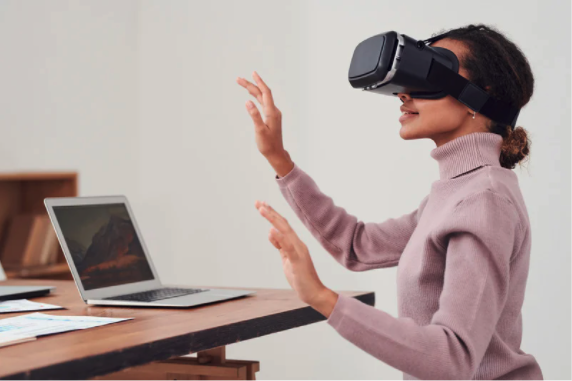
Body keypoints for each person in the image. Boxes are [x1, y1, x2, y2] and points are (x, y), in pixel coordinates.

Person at [236, 24, 542, 380]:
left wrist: (321, 296)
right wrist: (279, 159)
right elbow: (357, 246)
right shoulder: (459, 192)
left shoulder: (483, 200)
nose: (404, 94)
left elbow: (452, 357)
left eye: (432, 73)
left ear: (479, 95)